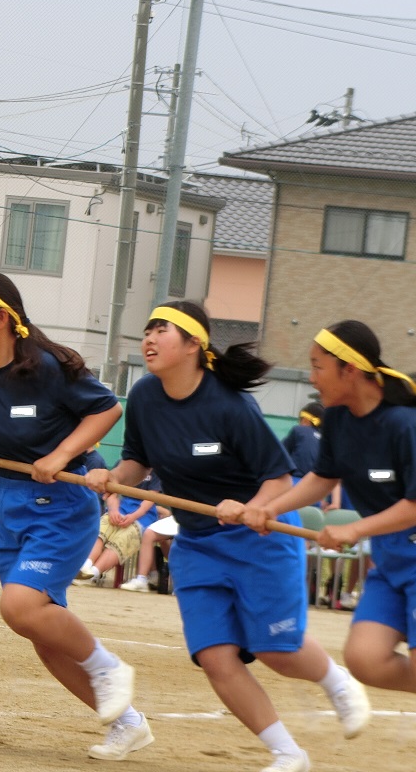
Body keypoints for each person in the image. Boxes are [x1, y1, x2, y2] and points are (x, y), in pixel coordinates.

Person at [85, 301, 371, 772]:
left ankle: (338, 682)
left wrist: (252, 508)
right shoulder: (145, 396)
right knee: (216, 657)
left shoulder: (231, 405)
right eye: (148, 329)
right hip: (197, 543)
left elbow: (279, 479)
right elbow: (138, 460)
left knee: (277, 651)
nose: (149, 338)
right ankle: (288, 753)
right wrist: (113, 476)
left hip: (259, 539)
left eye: (162, 330)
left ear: (193, 345)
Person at [0, 271, 145, 761]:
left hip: (60, 505)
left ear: (1, 318)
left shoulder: (48, 367)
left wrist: (61, 455)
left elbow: (106, 410)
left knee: (19, 607)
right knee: (40, 633)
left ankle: (108, 667)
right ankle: (128, 723)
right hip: (8, 502)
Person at [246, 320, 416, 700]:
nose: (312, 378)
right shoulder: (337, 417)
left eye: (317, 366)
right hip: (392, 559)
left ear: (349, 370)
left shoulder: (405, 423)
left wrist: (355, 529)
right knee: (365, 659)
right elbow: (323, 477)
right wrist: (270, 509)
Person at [75, 470, 160, 587]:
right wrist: (113, 510)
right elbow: (111, 492)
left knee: (124, 538)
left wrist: (134, 516)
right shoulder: (125, 464)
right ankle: (85, 565)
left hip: (144, 515)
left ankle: (92, 574)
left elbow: (151, 497)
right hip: (121, 507)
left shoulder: (156, 470)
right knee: (102, 526)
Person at [120, 512, 179, 593]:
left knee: (186, 538)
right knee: (149, 533)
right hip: (178, 517)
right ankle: (141, 579)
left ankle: (185, 582)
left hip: (196, 519)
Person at [283, 401, 323, 482]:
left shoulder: (299, 430)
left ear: (305, 420)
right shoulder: (326, 439)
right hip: (317, 484)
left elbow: (280, 453)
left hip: (294, 480)